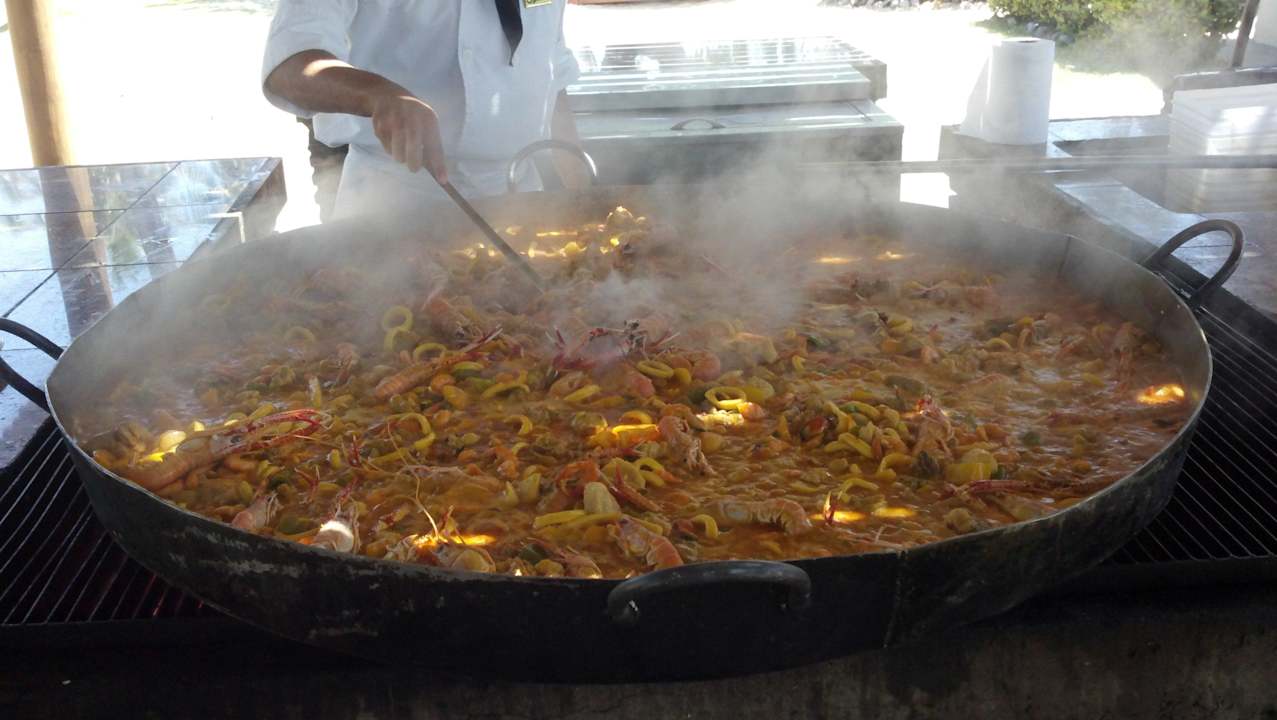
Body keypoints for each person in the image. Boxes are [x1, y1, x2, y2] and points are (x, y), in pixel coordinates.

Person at [261, 1, 584, 220]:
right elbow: (289, 67)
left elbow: (552, 76)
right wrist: (378, 95)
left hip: (519, 204)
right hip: (392, 207)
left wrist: (586, 199)